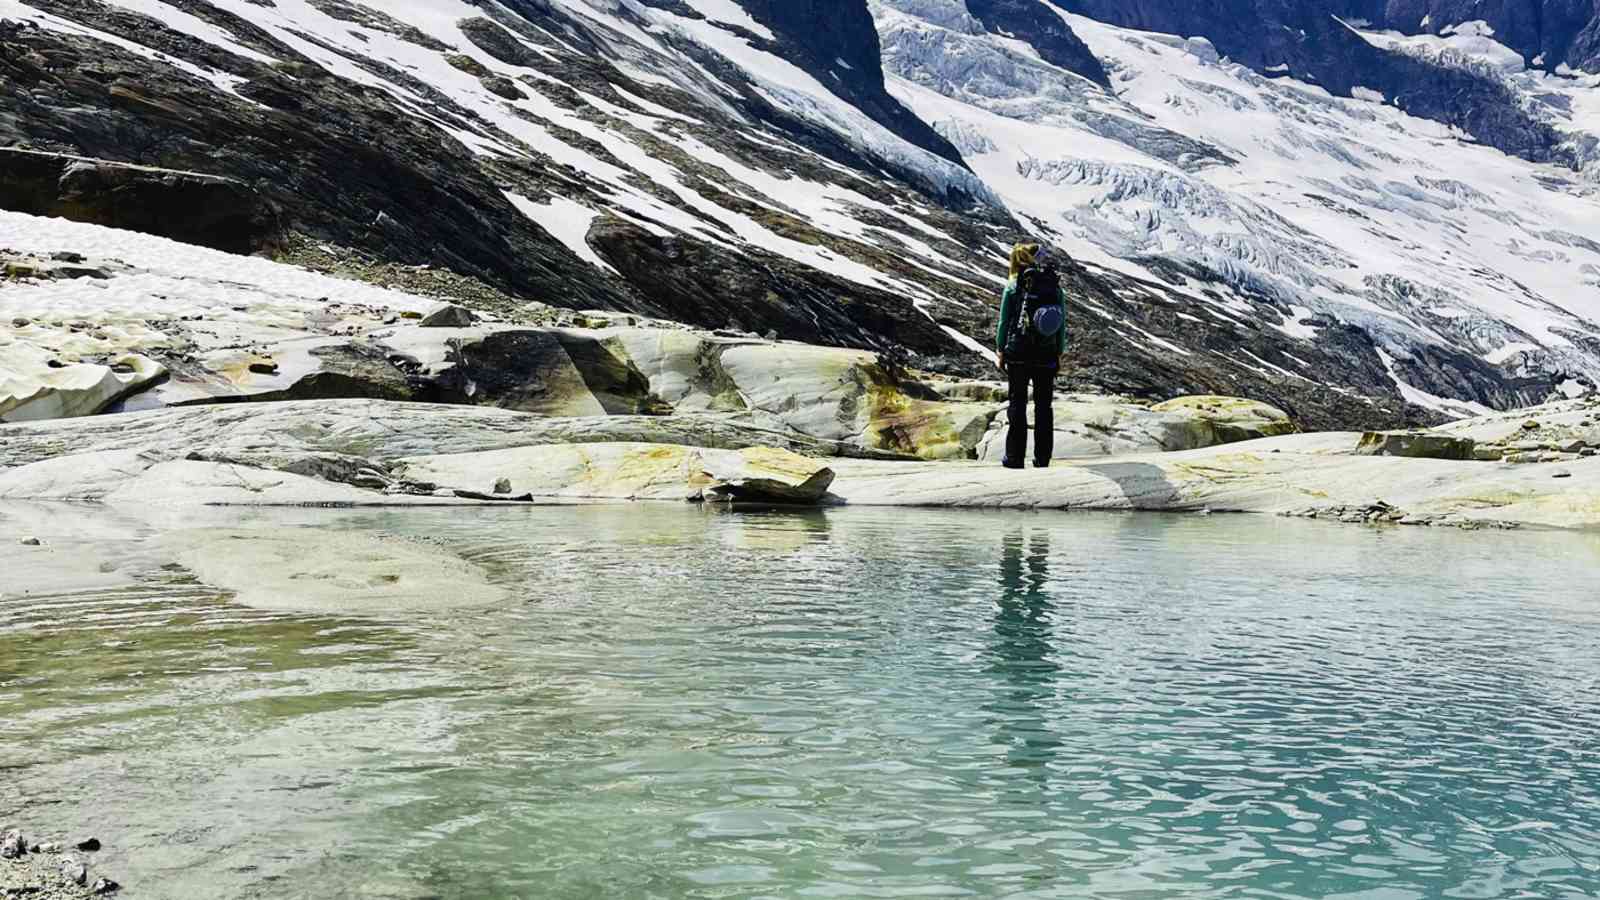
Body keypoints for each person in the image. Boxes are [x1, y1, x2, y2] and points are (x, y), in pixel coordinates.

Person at [995, 242, 1067, 469]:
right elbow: (1061, 324)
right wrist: (1058, 352)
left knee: (1017, 404)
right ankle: (1042, 458)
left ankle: (1015, 458)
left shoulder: (1013, 286)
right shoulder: (1054, 287)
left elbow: (1004, 322)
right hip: (1046, 354)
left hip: (1018, 353)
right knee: (1044, 407)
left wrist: (1000, 349)